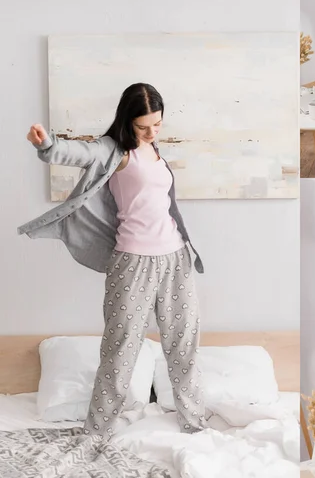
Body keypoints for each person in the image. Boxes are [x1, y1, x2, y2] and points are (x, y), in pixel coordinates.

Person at [18, 83, 206, 439]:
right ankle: (97, 431)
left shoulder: (154, 149)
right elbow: (78, 153)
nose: (151, 132)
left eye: (158, 124)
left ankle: (195, 424)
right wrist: (46, 145)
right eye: (143, 126)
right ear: (127, 121)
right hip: (133, 263)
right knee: (121, 349)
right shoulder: (114, 150)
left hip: (176, 258)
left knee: (184, 344)